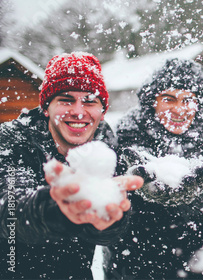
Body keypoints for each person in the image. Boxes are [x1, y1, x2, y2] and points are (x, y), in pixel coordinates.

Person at [0, 52, 143, 279]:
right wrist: (56, 208)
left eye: (90, 101)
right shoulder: (13, 139)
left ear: (102, 111)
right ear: (46, 108)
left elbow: (106, 234)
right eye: (66, 100)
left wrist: (111, 218)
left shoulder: (104, 142)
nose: (78, 112)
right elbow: (9, 213)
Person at [105, 58, 203, 279]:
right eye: (168, 99)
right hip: (132, 262)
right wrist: (138, 188)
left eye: (188, 99)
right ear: (152, 101)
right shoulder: (126, 137)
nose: (179, 109)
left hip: (192, 262)